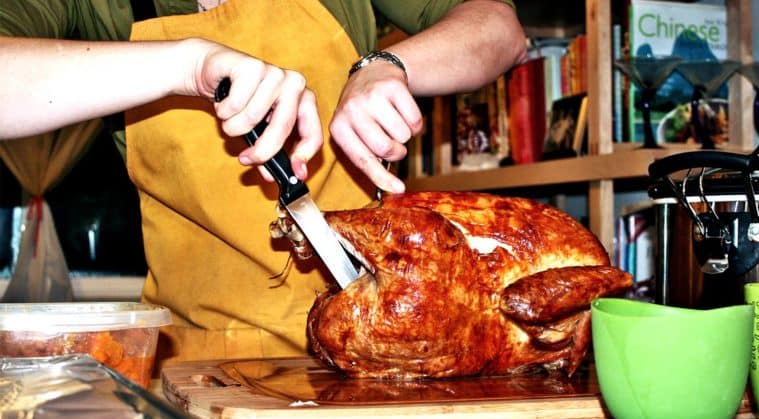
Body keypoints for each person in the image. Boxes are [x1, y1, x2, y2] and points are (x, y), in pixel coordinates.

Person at [0, 0, 527, 367]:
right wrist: (187, 64)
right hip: (194, 366)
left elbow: (501, 28)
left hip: (374, 353)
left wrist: (387, 66)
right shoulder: (102, 9)